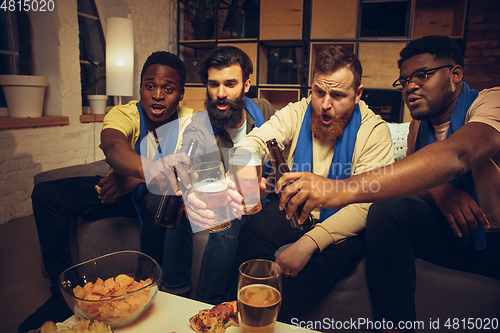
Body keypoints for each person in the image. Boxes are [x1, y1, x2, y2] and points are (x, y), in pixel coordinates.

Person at [274, 36, 500, 332]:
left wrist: (339, 189)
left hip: (492, 237)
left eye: (422, 75)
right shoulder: (419, 126)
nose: (411, 86)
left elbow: (459, 154)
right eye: (405, 80)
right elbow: (412, 179)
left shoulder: (490, 101)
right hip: (447, 230)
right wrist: (439, 189)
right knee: (386, 210)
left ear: (455, 74)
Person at [19, 51, 194, 333]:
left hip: (151, 198)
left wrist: (132, 180)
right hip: (119, 196)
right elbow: (113, 148)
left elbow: (186, 169)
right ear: (141, 89)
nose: (158, 95)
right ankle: (61, 292)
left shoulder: (190, 122)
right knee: (47, 195)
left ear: (181, 94)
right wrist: (135, 176)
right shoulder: (125, 112)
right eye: (150, 86)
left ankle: (145, 286)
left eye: (168, 89)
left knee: (163, 194)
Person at [230, 45, 394, 322]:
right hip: (294, 207)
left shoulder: (374, 131)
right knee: (253, 231)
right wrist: (245, 166)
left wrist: (309, 243)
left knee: (302, 281)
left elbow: (369, 202)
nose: (325, 104)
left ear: (358, 94)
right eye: (319, 92)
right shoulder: (298, 112)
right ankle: (235, 317)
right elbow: (256, 140)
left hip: (345, 222)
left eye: (338, 95)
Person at [160, 46, 275, 304]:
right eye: (213, 85)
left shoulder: (265, 111)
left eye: (230, 84)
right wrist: (184, 175)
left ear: (246, 85)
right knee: (182, 203)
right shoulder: (201, 123)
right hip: (225, 198)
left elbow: (282, 158)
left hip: (263, 201)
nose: (221, 94)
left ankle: (208, 305)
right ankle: (173, 295)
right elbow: (189, 149)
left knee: (231, 212)